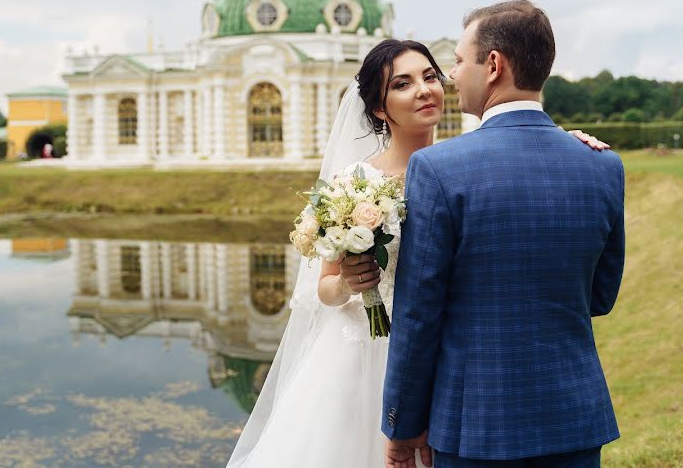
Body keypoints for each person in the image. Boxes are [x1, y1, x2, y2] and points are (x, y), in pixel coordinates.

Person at [227, 37, 608, 468]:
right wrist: (349, 283)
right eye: (403, 84)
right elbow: (325, 291)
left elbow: (524, 161)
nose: (425, 90)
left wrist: (568, 145)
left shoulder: (467, 165)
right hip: (364, 354)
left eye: (430, 76)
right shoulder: (354, 182)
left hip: (451, 354)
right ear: (378, 108)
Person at [382, 0, 625, 468]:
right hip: (574, 420)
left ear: (493, 65)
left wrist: (403, 427)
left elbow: (418, 317)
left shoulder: (436, 168)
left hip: (475, 426)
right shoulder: (603, 165)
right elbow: (600, 297)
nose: (450, 75)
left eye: (456, 60)